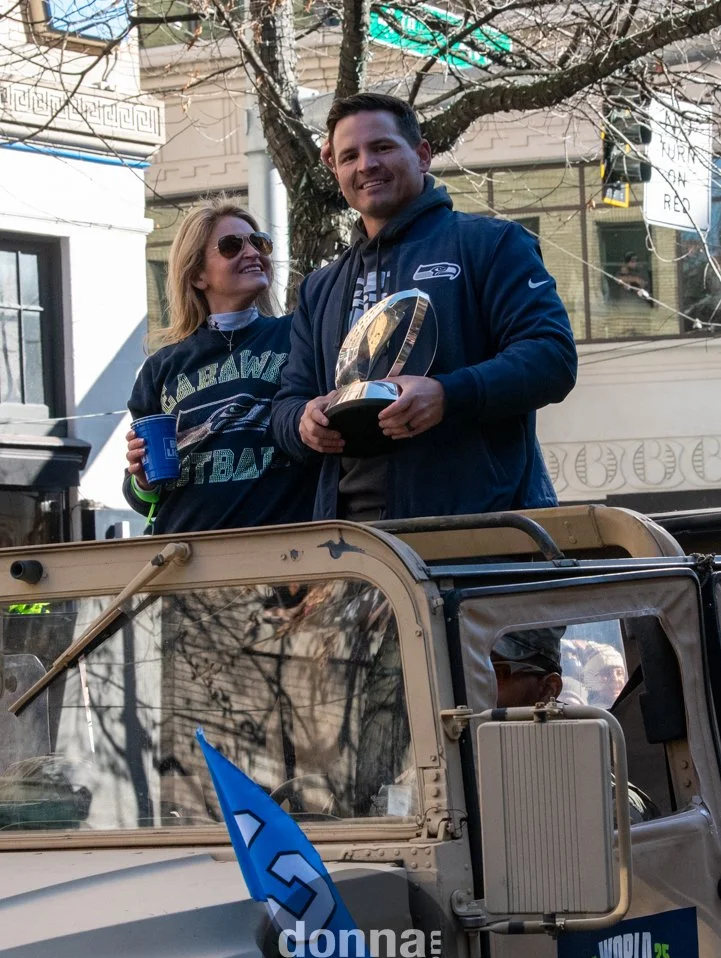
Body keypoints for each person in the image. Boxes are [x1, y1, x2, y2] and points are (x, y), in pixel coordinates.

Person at [271, 92, 577, 522]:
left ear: (422, 155)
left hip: (481, 531)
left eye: (382, 147)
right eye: (349, 156)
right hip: (349, 541)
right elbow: (288, 402)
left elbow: (552, 358)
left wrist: (447, 395)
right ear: (335, 169)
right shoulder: (320, 288)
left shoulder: (492, 244)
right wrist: (301, 423)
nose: (366, 165)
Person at [124, 197, 318, 533]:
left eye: (259, 243)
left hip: (284, 547)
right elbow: (145, 501)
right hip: (187, 553)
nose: (252, 253)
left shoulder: (297, 334)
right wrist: (142, 480)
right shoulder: (161, 367)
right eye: (231, 246)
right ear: (198, 275)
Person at [492, 629, 659, 823]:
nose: (482, 687)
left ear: (549, 689)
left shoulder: (603, 801)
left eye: (497, 674)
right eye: (477, 674)